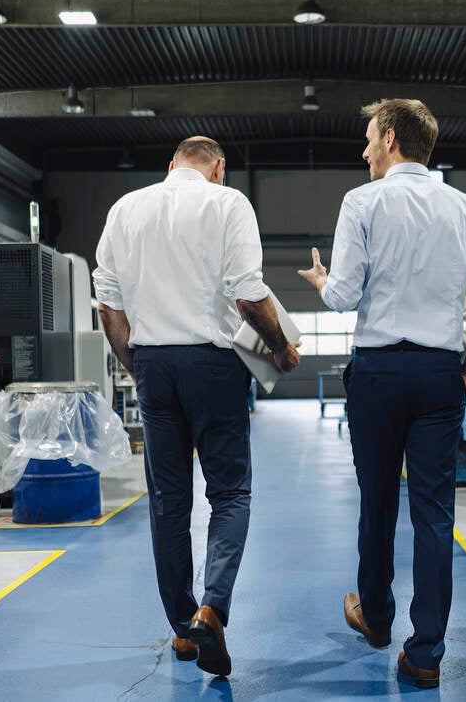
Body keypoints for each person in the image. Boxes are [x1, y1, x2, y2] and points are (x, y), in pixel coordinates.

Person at [298, 99, 466, 689]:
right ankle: (426, 654)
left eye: (368, 140)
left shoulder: (363, 202)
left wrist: (321, 281)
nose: (364, 151)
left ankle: (378, 618)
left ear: (390, 138)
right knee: (435, 515)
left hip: (380, 374)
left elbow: (342, 296)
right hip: (440, 372)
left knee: (378, 501)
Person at [93, 136, 300, 678]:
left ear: (171, 166)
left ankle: (184, 630)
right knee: (230, 490)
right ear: (218, 169)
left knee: (168, 500)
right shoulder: (227, 203)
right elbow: (248, 293)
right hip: (213, 366)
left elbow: (108, 303)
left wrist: (136, 368)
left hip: (153, 365)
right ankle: (213, 607)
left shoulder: (124, 209)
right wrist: (278, 346)